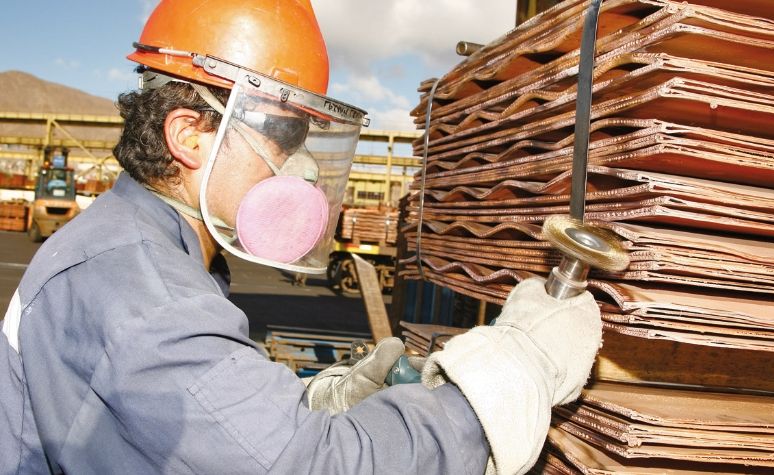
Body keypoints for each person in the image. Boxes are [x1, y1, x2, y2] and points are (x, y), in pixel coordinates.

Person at [0, 1, 602, 473]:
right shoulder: (142, 292)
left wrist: (314, 403)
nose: (301, 168)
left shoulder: (141, 249)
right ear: (189, 136)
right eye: (282, 135)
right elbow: (316, 465)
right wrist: (514, 372)